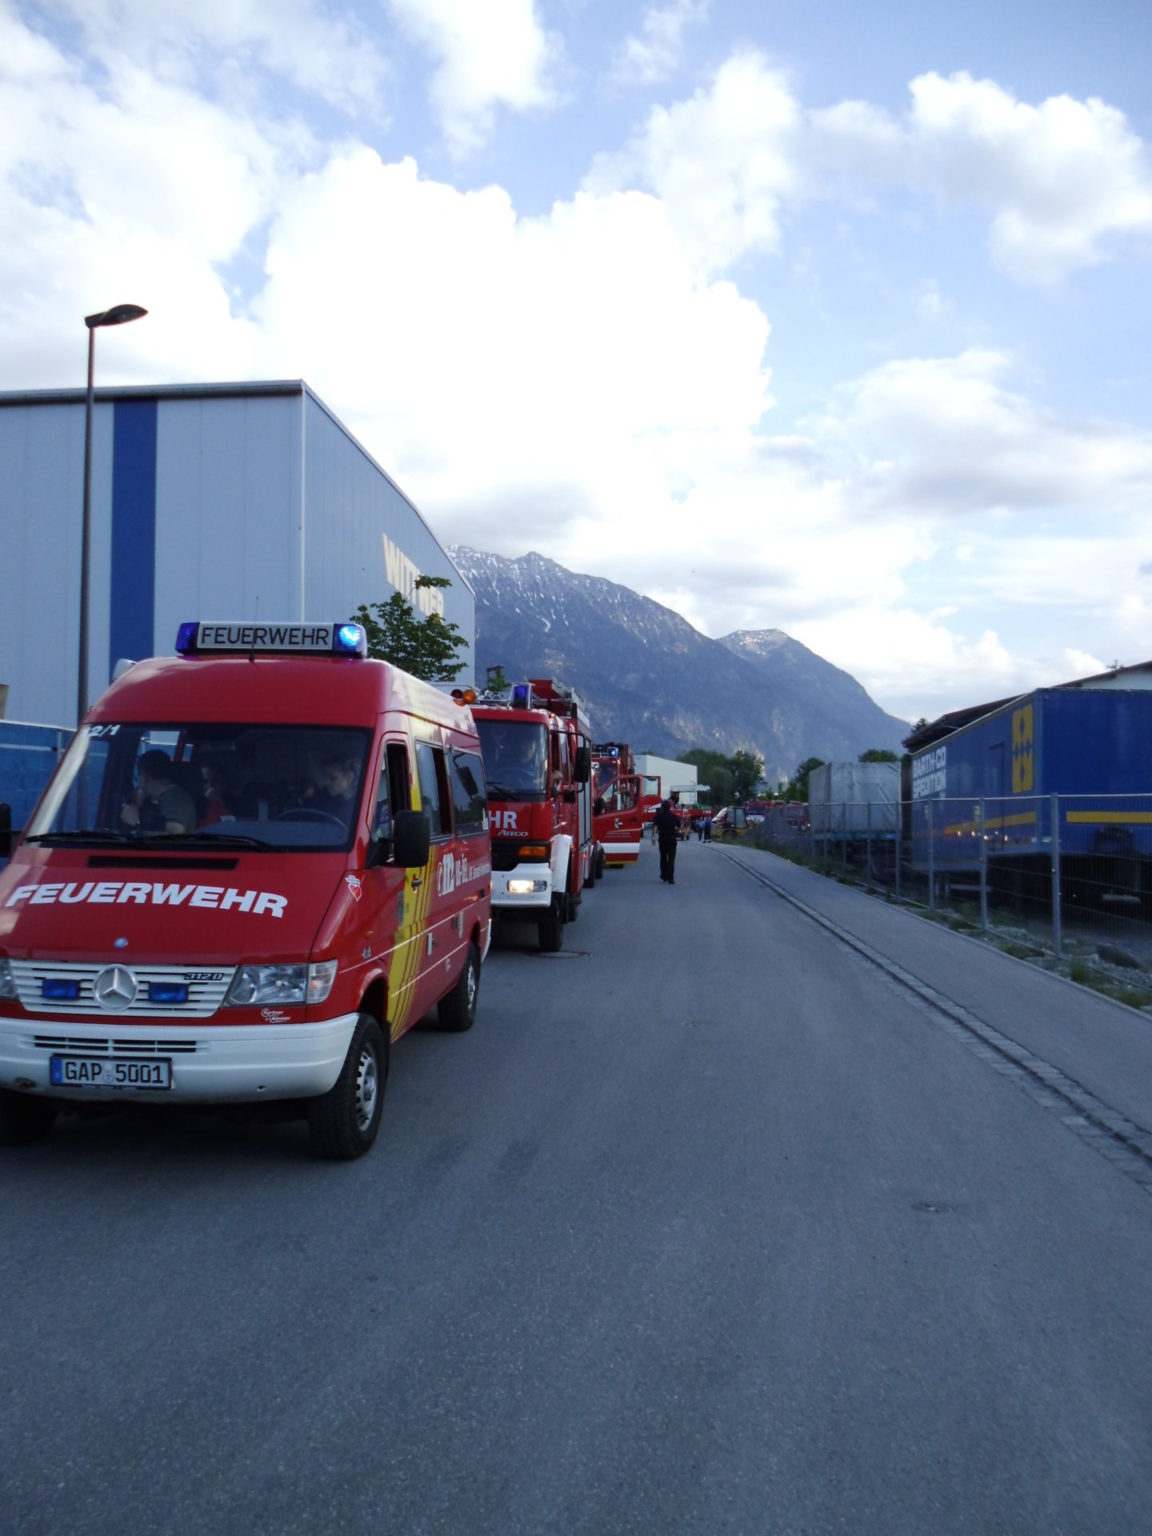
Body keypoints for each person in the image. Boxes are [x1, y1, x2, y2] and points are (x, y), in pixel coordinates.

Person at [121, 749, 197, 834]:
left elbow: (175, 834)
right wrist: (139, 805)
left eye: (138, 776)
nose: (138, 782)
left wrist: (137, 823)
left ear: (145, 777)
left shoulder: (176, 798)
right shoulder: (152, 799)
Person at [308, 754, 360, 822]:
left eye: (333, 778)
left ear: (349, 778)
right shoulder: (323, 798)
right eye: (326, 777)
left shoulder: (360, 805)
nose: (327, 782)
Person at [652, 798, 681, 884]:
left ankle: (664, 875)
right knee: (671, 860)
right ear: (669, 807)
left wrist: (653, 837)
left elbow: (655, 827)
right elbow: (678, 828)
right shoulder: (675, 817)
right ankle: (671, 878)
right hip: (672, 841)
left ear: (662, 808)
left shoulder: (659, 816)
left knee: (663, 858)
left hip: (663, 840)